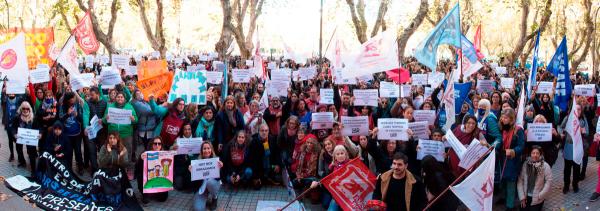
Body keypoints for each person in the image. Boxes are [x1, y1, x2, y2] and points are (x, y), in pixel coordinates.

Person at [498, 108, 525, 210]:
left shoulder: (519, 130)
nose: (503, 119)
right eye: (502, 117)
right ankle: (504, 198)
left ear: (512, 119)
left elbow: (521, 146)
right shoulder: (501, 128)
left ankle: (510, 205)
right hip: (502, 157)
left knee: (511, 182)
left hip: (512, 160)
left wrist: (513, 151)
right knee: (503, 180)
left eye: (506, 118)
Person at [559, 102, 588, 193]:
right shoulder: (567, 118)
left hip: (578, 147)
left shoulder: (583, 119)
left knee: (576, 168)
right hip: (568, 146)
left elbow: (587, 132)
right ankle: (566, 185)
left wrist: (583, 131)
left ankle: (575, 184)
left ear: (581, 110)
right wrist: (561, 133)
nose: (577, 111)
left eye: (579, 109)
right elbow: (560, 127)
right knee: (567, 168)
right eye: (576, 109)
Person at [8, 102, 40, 175]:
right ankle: (22, 162)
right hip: (20, 137)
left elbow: (38, 127)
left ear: (29, 109)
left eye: (27, 108)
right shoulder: (17, 117)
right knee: (19, 150)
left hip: (30, 138)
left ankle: (33, 169)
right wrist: (14, 134)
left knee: (31, 153)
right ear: (21, 109)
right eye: (23, 108)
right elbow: (13, 127)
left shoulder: (33, 117)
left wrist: (39, 133)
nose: (25, 110)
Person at [517, 145, 552, 211]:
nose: (535, 155)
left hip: (538, 198)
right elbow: (520, 180)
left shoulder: (545, 166)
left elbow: (548, 182)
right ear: (530, 154)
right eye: (533, 153)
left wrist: (541, 195)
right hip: (526, 196)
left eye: (537, 153)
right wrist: (522, 197)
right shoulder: (525, 164)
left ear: (540, 154)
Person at [135, 136, 169, 204]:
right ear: (151, 144)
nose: (157, 145)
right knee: (146, 200)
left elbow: (168, 171)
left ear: (161, 145)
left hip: (160, 180)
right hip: (147, 180)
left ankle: (157, 191)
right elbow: (137, 170)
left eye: (159, 144)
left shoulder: (165, 154)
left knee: (162, 199)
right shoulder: (145, 154)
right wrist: (141, 160)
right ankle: (146, 192)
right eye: (155, 143)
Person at [191, 141, 223, 211]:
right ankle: (203, 196)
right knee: (198, 209)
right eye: (204, 148)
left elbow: (220, 178)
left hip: (213, 185)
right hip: (202, 188)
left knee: (210, 182)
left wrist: (220, 169)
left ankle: (215, 197)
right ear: (201, 151)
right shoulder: (196, 162)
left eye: (208, 148)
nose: (206, 150)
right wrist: (192, 173)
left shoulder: (217, 160)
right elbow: (193, 184)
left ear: (211, 150)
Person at [250, 123, 282, 187]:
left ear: (268, 131)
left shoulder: (272, 139)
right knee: (257, 187)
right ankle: (261, 177)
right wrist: (256, 176)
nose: (264, 132)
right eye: (262, 130)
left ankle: (268, 176)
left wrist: (277, 164)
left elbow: (277, 153)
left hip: (270, 165)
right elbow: (253, 160)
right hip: (259, 166)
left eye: (266, 130)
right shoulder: (254, 141)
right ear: (259, 131)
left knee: (279, 177)